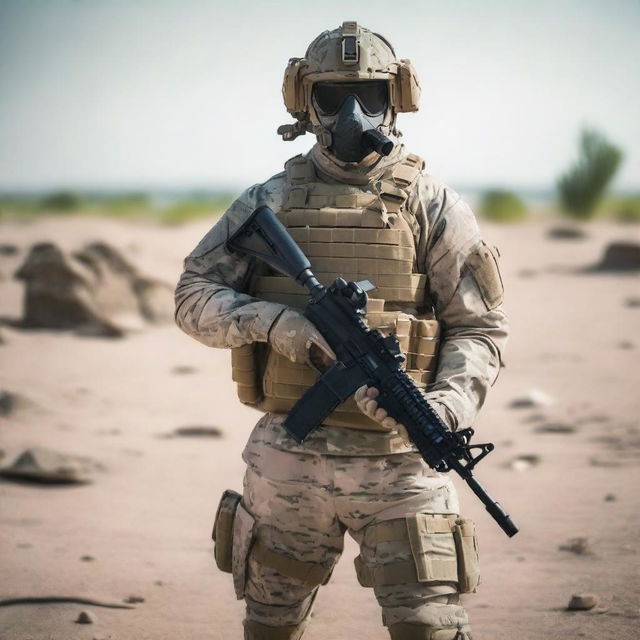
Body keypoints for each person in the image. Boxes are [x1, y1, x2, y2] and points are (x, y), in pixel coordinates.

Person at [175, 21, 507, 640]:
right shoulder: (266, 201)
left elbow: (480, 328)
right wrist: (276, 323)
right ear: (305, 100)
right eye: (333, 96)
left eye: (371, 95)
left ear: (396, 98)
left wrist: (447, 405)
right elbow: (192, 296)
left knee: (430, 628)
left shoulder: (431, 204)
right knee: (270, 627)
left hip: (405, 466)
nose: (353, 113)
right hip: (289, 466)